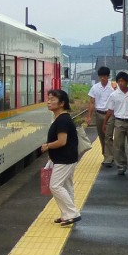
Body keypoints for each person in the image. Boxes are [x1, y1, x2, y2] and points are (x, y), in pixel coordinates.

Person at [40, 88, 81, 226]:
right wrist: (52, 156)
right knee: (66, 186)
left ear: (62, 103)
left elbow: (62, 141)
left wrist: (47, 146)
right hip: (65, 158)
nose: (49, 102)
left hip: (65, 158)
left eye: (52, 99)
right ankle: (66, 214)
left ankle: (73, 213)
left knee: (55, 186)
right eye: (48, 98)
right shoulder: (60, 118)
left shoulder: (62, 119)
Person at [87, 66, 115, 167]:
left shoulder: (113, 87)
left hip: (110, 114)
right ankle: (106, 155)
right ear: (99, 77)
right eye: (101, 76)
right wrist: (89, 117)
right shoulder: (95, 88)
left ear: (108, 76)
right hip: (99, 114)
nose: (103, 78)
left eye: (105, 76)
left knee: (108, 135)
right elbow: (91, 102)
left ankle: (109, 157)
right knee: (102, 136)